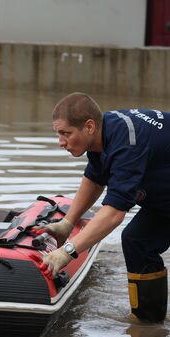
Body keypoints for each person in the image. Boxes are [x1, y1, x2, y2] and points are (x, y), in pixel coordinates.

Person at [39, 92, 170, 322]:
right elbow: (95, 179)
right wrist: (67, 223)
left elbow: (113, 214)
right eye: (58, 134)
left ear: (89, 126)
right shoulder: (103, 133)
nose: (61, 142)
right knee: (137, 240)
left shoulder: (127, 143)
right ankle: (149, 328)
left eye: (65, 133)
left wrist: (68, 252)